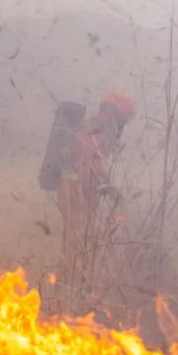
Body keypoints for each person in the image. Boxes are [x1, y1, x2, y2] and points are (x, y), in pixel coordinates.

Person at [58, 90, 135, 290]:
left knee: (79, 245)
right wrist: (108, 189)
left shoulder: (94, 131)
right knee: (75, 248)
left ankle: (72, 289)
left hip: (79, 194)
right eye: (121, 122)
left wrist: (108, 188)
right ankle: (67, 292)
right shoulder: (92, 134)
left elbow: (95, 168)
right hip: (76, 195)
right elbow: (89, 171)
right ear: (111, 114)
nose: (121, 128)